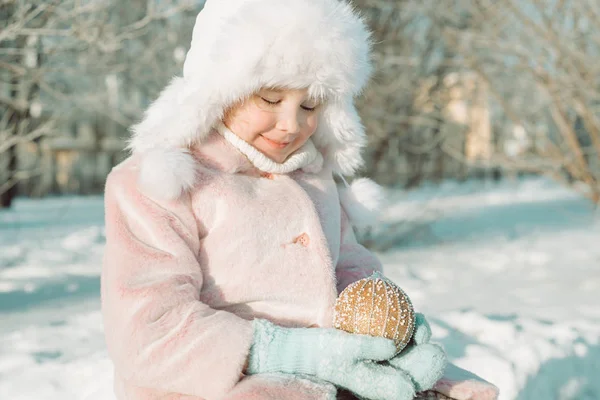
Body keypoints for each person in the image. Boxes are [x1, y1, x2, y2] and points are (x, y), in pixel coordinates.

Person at [102, 1, 496, 399]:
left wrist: (384, 324)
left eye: (309, 105)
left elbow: (344, 266)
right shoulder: (161, 184)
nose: (291, 124)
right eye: (270, 100)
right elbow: (147, 331)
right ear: (220, 92)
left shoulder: (313, 179)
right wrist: (285, 352)